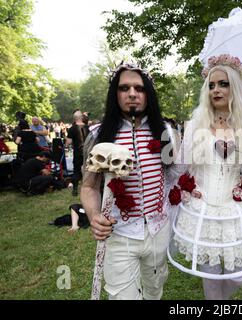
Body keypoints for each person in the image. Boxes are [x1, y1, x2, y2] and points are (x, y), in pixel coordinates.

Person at [167, 54, 242, 300]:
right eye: (212, 85)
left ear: (235, 88)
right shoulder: (196, 126)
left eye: (223, 84)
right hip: (202, 208)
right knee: (211, 274)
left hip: (234, 210)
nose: (216, 90)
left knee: (237, 278)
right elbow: (180, 166)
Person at [80, 62, 174, 300]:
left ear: (148, 94)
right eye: (124, 88)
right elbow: (89, 186)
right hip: (118, 234)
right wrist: (94, 217)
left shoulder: (166, 132)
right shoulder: (98, 134)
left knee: (154, 291)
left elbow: (175, 177)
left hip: (158, 230)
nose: (132, 94)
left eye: (139, 88)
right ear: (115, 94)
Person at [66, 110, 90, 196]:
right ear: (82, 118)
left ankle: (75, 189)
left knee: (76, 170)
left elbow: (68, 142)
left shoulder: (72, 128)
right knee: (89, 169)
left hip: (78, 152)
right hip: (88, 152)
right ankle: (89, 187)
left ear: (74, 118)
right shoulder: (88, 127)